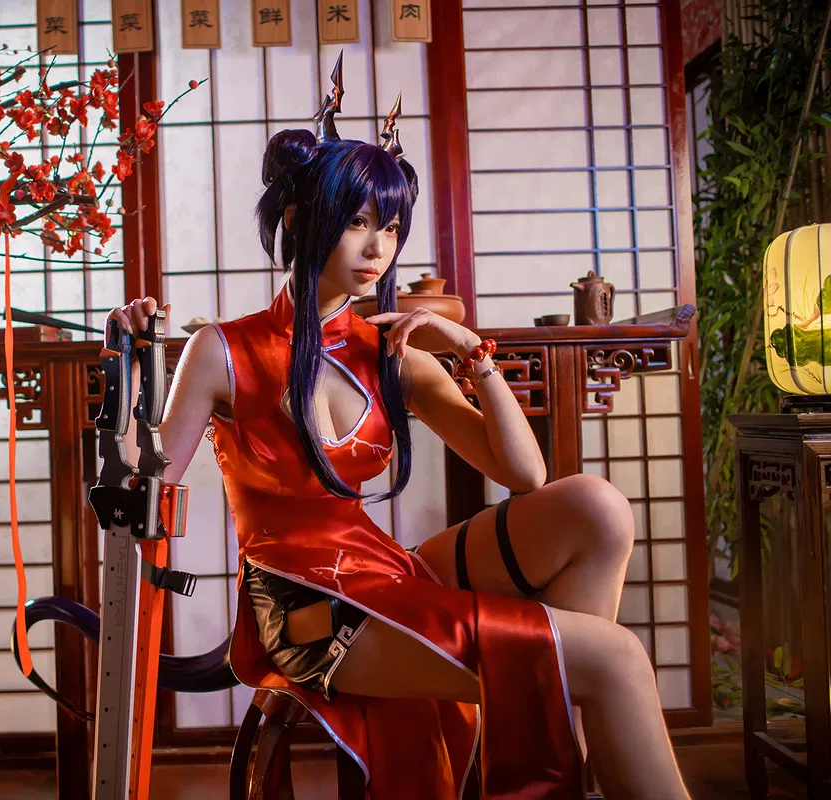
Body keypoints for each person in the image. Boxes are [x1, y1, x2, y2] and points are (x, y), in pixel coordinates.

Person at [109, 62, 690, 800]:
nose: (377, 247)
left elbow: (526, 476)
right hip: (301, 605)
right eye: (357, 222)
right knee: (613, 657)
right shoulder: (222, 350)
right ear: (300, 219)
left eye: (389, 228)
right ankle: (579, 719)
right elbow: (145, 481)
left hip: (383, 572)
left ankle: (572, 726)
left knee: (595, 508)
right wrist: (129, 365)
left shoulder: (393, 355)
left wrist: (471, 352)